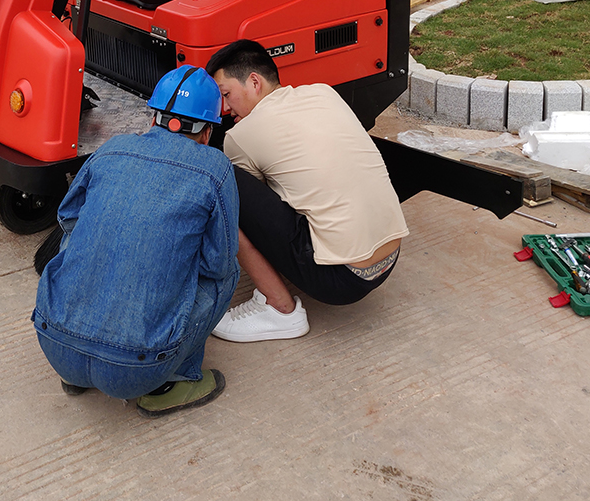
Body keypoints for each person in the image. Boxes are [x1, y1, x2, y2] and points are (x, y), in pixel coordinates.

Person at [32, 65, 240, 418]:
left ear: (154, 117)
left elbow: (67, 216)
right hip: (136, 371)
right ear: (207, 132)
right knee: (229, 271)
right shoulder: (214, 168)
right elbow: (216, 264)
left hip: (54, 346)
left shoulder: (114, 148)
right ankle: (176, 380)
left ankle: (78, 363)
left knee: (78, 233)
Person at [205, 40, 408, 342]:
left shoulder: (241, 136)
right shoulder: (323, 92)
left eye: (226, 94)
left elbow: (252, 214)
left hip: (341, 281)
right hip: (390, 257)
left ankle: (278, 309)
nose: (224, 108)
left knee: (218, 180)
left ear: (254, 82)